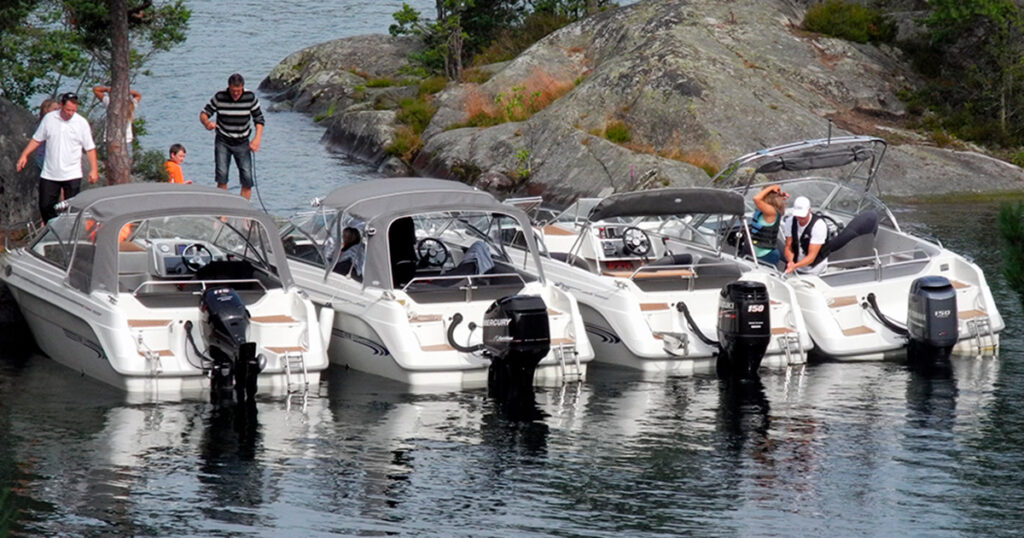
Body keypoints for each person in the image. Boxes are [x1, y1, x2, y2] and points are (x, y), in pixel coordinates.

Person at [15, 92, 98, 223]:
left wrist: (94, 170)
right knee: (45, 205)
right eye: (67, 110)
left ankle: (68, 230)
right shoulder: (49, 119)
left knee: (72, 208)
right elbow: (37, 139)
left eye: (73, 110)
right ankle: (53, 227)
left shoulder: (81, 123)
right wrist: (24, 155)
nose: (70, 113)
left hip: (72, 173)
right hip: (50, 173)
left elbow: (90, 148)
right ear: (61, 106)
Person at [199, 73, 264, 199]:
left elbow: (259, 119)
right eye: (233, 91)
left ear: (242, 87)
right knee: (222, 176)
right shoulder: (220, 97)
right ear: (228, 87)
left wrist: (257, 139)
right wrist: (207, 123)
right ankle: (223, 208)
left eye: (238, 91)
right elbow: (204, 113)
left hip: (242, 141)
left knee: (247, 178)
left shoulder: (250, 97)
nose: (236, 94)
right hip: (223, 140)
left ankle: (243, 209)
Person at [783, 196, 829, 275]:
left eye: (802, 216)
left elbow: (811, 256)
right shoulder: (790, 221)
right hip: (795, 266)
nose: (800, 219)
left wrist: (795, 266)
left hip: (815, 269)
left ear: (809, 210)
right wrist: (790, 262)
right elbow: (788, 246)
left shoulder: (819, 225)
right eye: (798, 216)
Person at [750, 184, 787, 265]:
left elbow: (756, 198)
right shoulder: (765, 210)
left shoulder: (770, 211)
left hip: (766, 255)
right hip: (758, 252)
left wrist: (771, 187)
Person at [31, 98, 61, 169]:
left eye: (58, 110)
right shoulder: (44, 124)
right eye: (55, 109)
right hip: (44, 157)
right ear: (46, 109)